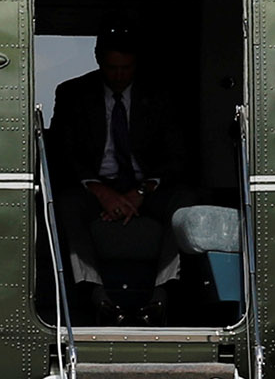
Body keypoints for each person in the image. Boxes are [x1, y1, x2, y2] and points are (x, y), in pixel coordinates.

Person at [44, 32, 197, 324]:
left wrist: (142, 190)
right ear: (98, 60)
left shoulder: (159, 94)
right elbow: (64, 153)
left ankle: (161, 294)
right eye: (112, 68)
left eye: (126, 68)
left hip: (146, 188)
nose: (118, 75)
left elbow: (177, 155)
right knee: (65, 204)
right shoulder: (72, 93)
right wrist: (100, 190)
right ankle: (96, 293)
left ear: (136, 65)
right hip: (94, 188)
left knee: (185, 202)